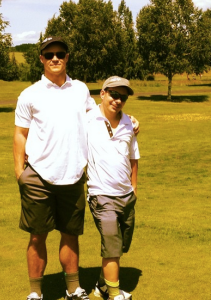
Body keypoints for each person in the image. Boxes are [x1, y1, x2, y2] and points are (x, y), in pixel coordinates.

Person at [13, 36, 139, 300]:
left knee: (70, 235)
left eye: (60, 53)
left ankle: (73, 288)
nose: (55, 58)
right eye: (49, 55)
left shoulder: (80, 89)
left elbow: (101, 115)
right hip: (38, 175)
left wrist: (129, 120)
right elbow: (20, 134)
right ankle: (35, 292)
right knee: (38, 236)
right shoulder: (29, 94)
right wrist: (19, 173)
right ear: (42, 59)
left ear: (67, 57)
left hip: (72, 177)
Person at [87, 76, 140, 300]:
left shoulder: (130, 123)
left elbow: (133, 158)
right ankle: (115, 295)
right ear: (103, 93)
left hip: (126, 196)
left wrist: (134, 188)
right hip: (101, 195)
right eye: (114, 95)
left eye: (123, 97)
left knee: (119, 246)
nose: (118, 100)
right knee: (111, 246)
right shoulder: (86, 120)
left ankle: (100, 288)